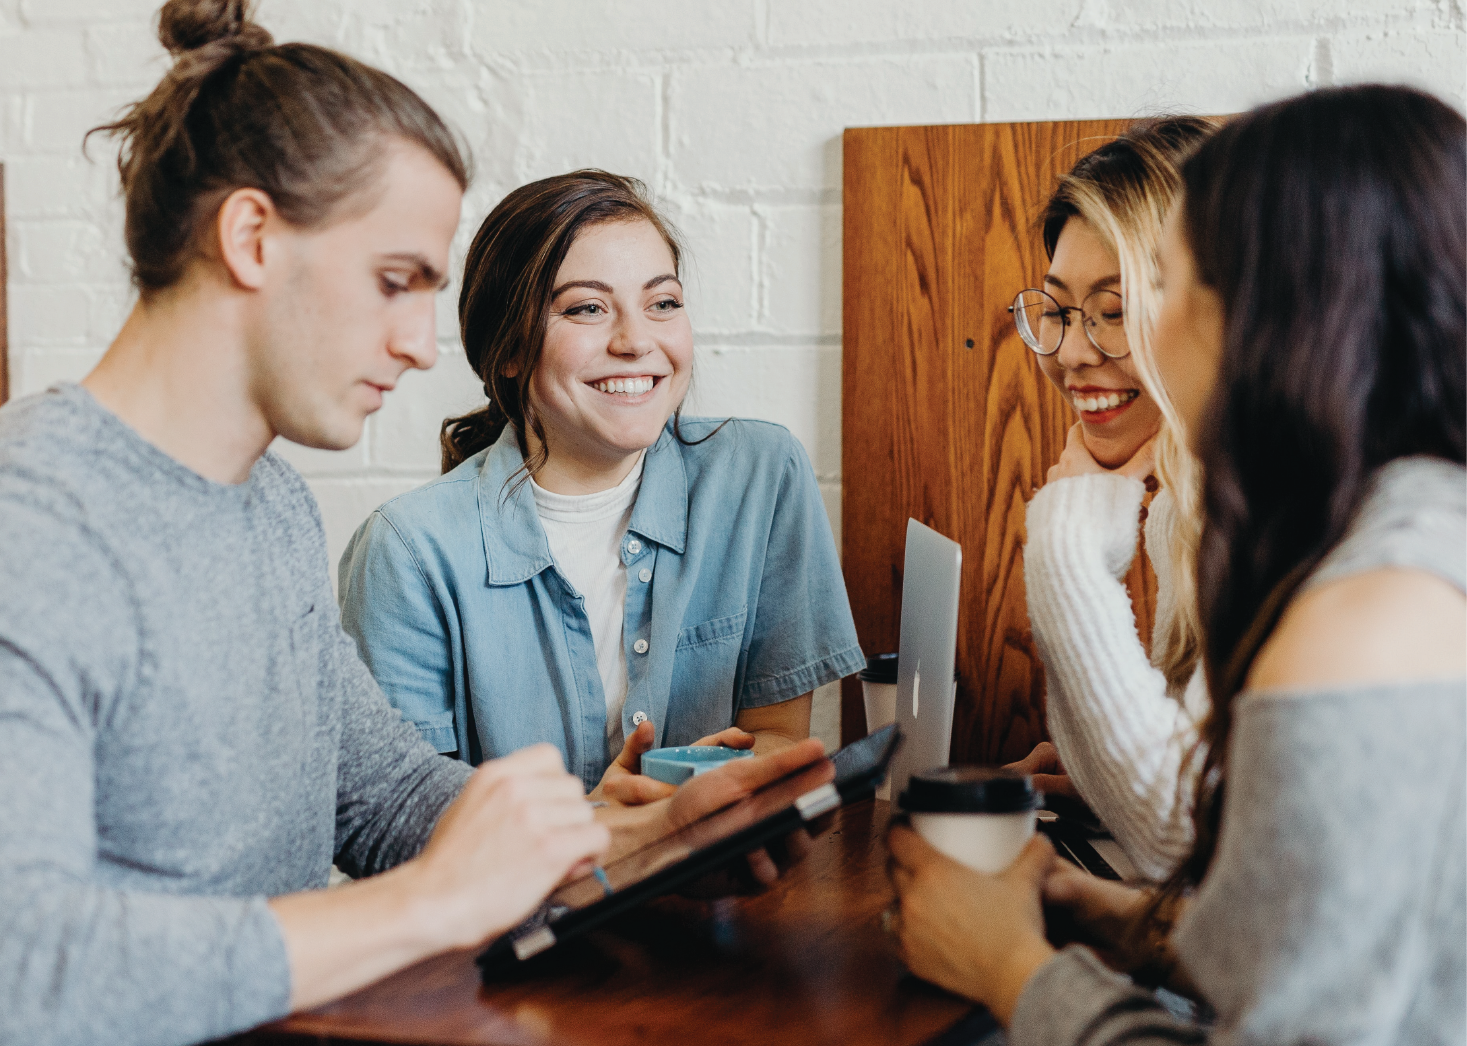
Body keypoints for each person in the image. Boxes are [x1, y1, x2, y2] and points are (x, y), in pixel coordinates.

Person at [0, 5, 829, 1045]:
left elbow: (385, 795)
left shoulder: (267, 503)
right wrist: (437, 899)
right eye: (395, 282)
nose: (414, 340)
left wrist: (633, 835)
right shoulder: (32, 523)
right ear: (251, 237)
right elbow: (22, 966)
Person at [889, 83, 1467, 1041]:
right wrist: (1115, 921)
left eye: (1168, 281)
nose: (1102, 346)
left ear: (1270, 312)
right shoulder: (1397, 536)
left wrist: (1011, 969)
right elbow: (1328, 950)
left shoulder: (1367, 614)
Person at [338, 170, 864, 803]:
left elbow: (777, 737)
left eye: (662, 302)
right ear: (507, 350)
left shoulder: (760, 475)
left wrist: (677, 808)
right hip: (522, 902)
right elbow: (405, 823)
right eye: (586, 308)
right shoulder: (407, 551)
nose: (636, 340)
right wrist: (606, 825)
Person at [1005, 118, 1214, 881]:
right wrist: (1100, 775)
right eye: (1057, 310)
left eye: (1115, 309)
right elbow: (1199, 811)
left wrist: (1064, 544)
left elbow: (1179, 840)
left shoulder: (1277, 515)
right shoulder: (1183, 507)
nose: (1069, 352)